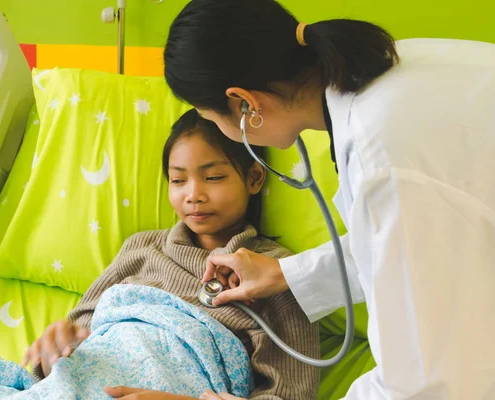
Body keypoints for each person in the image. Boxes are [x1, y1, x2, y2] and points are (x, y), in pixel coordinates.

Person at [162, 0, 495, 399]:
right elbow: (416, 244)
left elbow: (420, 386)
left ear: (245, 104)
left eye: (212, 120)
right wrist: (284, 275)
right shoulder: (394, 76)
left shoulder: (385, 149)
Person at [22, 109, 320, 400]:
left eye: (213, 177)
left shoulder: (276, 273)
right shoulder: (142, 248)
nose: (193, 194)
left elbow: (288, 391)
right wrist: (54, 350)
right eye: (178, 180)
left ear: (254, 178)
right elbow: (79, 331)